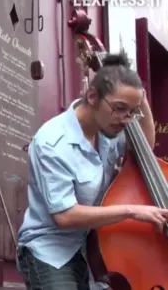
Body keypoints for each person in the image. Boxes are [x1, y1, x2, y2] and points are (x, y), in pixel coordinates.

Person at [16, 52, 168, 290]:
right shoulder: (53, 142)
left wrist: (141, 99)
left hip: (89, 248)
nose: (126, 119)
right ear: (93, 96)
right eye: (119, 109)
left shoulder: (108, 129)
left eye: (132, 112)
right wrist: (132, 210)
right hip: (50, 250)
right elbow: (64, 216)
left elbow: (144, 151)